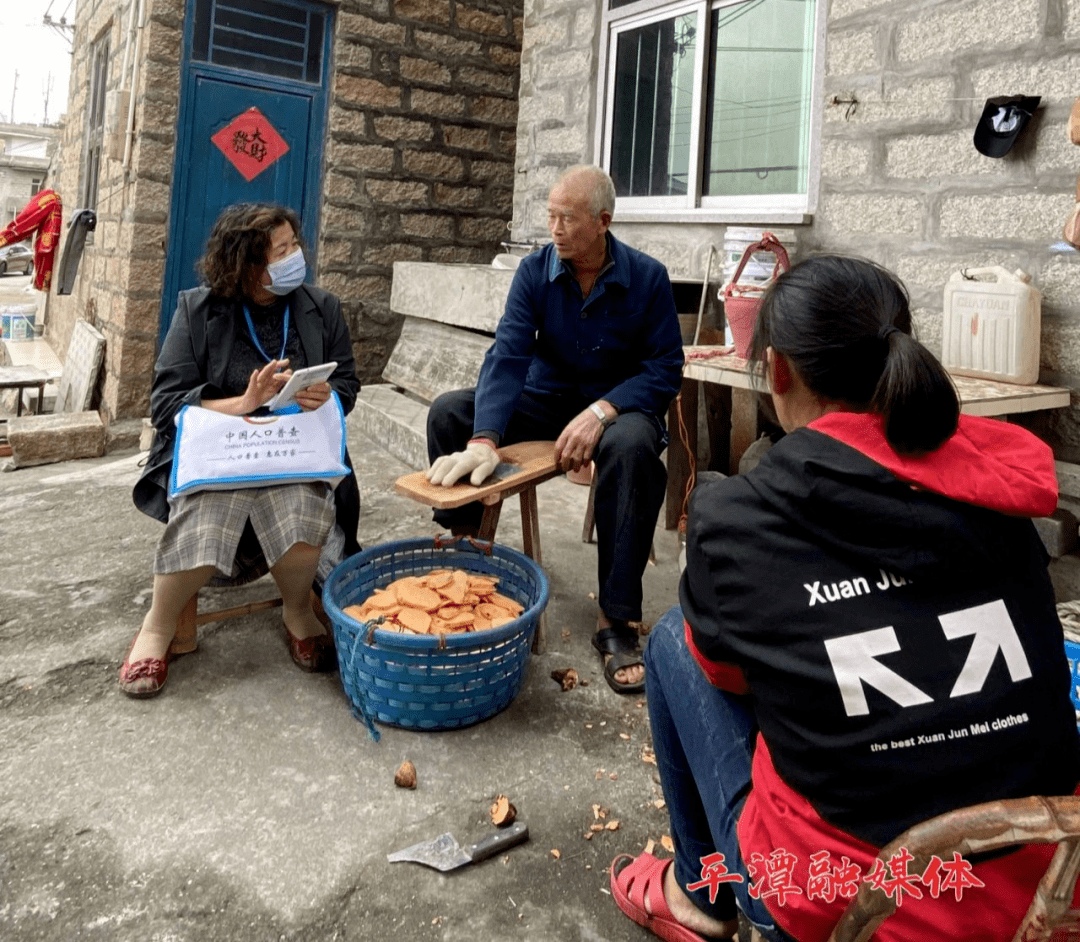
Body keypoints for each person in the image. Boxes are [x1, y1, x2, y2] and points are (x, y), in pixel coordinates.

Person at [609, 256, 1080, 941]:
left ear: (776, 370)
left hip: (858, 908)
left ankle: (696, 894)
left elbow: (729, 677)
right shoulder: (999, 489)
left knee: (675, 636)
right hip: (1045, 888)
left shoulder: (738, 520)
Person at [425, 165, 684, 695]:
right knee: (450, 412)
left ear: (603, 222)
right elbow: (509, 353)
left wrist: (602, 412)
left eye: (568, 217)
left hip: (618, 409)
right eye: (551, 215)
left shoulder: (649, 278)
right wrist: (484, 438)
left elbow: (664, 370)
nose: (556, 228)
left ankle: (616, 620)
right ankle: (469, 555)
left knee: (634, 450)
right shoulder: (534, 272)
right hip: (546, 403)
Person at [122, 203, 361, 698]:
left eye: (295, 244)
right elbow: (166, 404)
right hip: (222, 452)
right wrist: (243, 403)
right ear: (248, 264)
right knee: (212, 507)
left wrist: (327, 394)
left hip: (294, 453)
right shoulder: (198, 310)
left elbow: (350, 385)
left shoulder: (322, 307)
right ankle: (158, 625)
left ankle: (297, 610)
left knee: (301, 507)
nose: (296, 256)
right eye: (282, 250)